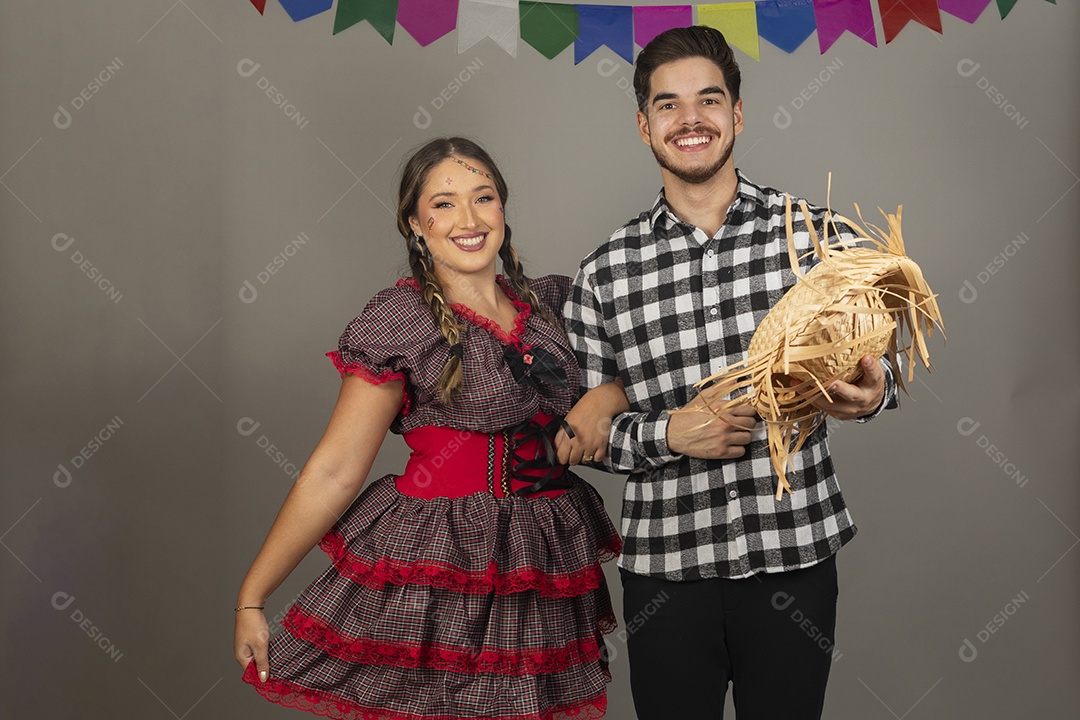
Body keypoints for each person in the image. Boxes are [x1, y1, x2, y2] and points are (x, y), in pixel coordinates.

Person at [564, 26, 898, 720]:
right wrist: (669, 434)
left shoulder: (817, 236)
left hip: (795, 555)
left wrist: (873, 391)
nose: (691, 119)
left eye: (709, 100)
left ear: (737, 114)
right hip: (666, 574)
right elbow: (579, 435)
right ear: (643, 125)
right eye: (668, 105)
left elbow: (884, 360)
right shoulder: (604, 275)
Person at [233, 137, 628, 720]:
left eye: (483, 198)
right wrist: (252, 596)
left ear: (502, 210)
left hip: (540, 560)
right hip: (440, 557)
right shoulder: (400, 319)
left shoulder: (555, 303)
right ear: (415, 224)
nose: (467, 220)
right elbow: (336, 469)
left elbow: (631, 388)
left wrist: (607, 394)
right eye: (443, 204)